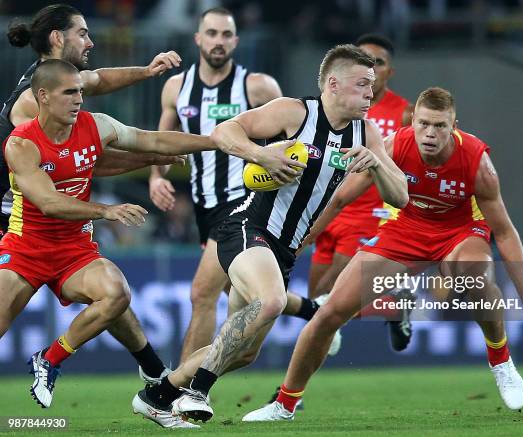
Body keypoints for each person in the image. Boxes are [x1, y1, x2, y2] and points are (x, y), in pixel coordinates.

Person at [243, 86, 523, 422]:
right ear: (414, 121)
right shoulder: (395, 145)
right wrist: (301, 238)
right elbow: (339, 198)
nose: (430, 133)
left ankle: (500, 358)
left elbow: (506, 231)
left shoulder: (477, 161)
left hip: (461, 232)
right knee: (329, 314)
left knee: (471, 274)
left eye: (440, 126)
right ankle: (284, 405)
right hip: (407, 230)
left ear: (454, 125)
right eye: (424, 123)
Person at [132, 44, 409, 428]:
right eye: (362, 84)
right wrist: (261, 156)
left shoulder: (367, 133)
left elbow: (401, 196)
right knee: (272, 300)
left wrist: (377, 165)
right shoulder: (295, 112)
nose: (370, 93)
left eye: (373, 85)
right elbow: (224, 132)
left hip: (283, 250)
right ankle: (197, 392)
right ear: (333, 84)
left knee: (243, 353)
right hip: (247, 228)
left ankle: (157, 395)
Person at [0, 59, 295, 419]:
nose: (79, 99)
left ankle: (49, 360)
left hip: (74, 250)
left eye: (80, 90)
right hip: (24, 249)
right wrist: (105, 211)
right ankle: (154, 372)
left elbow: (151, 139)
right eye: (69, 92)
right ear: (42, 96)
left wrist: (218, 142)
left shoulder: (96, 125)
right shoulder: (21, 143)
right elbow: (47, 203)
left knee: (117, 294)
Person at [0, 3, 185, 389]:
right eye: (82, 33)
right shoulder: (36, 101)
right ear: (57, 38)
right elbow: (85, 166)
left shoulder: (58, 82)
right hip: (18, 218)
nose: (90, 41)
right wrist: (150, 155)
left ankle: (153, 372)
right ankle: (153, 371)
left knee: (110, 294)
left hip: (50, 218)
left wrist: (147, 72)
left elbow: (100, 79)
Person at [148, 7, 326, 363]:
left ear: (236, 41)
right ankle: (312, 310)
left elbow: (292, 139)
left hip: (243, 204)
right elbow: (163, 140)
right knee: (242, 290)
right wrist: (155, 177)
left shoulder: (258, 87)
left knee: (202, 294)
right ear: (198, 38)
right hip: (204, 204)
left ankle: (177, 387)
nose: (219, 41)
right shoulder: (176, 88)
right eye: (211, 33)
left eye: (226, 35)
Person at [308, 33, 413, 353]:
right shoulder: (336, 107)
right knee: (314, 299)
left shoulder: (405, 114)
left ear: (388, 72)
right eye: (363, 60)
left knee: (328, 300)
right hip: (326, 208)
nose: (370, 68)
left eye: (378, 63)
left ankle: (289, 395)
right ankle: (391, 301)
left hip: (369, 214)